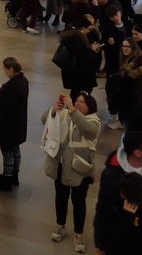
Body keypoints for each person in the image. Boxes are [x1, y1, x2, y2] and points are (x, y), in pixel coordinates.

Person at [44, 92, 101, 252]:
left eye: (82, 102)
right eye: (77, 101)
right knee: (60, 197)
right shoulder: (65, 114)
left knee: (79, 202)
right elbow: (44, 120)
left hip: (79, 168)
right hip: (62, 165)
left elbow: (89, 131)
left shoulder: (93, 121)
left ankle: (79, 234)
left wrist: (72, 109)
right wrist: (54, 110)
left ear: (90, 106)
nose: (78, 103)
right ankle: (60, 226)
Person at [94, 130, 142, 255]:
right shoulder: (112, 175)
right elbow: (103, 210)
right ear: (137, 153)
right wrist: (100, 244)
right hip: (119, 242)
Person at [0, 56, 29, 191]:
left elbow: (7, 106)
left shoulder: (12, 86)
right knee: (15, 149)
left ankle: (6, 180)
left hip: (8, 126)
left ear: (10, 68)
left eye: (5, 69)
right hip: (18, 124)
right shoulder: (23, 81)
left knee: (7, 152)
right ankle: (14, 176)